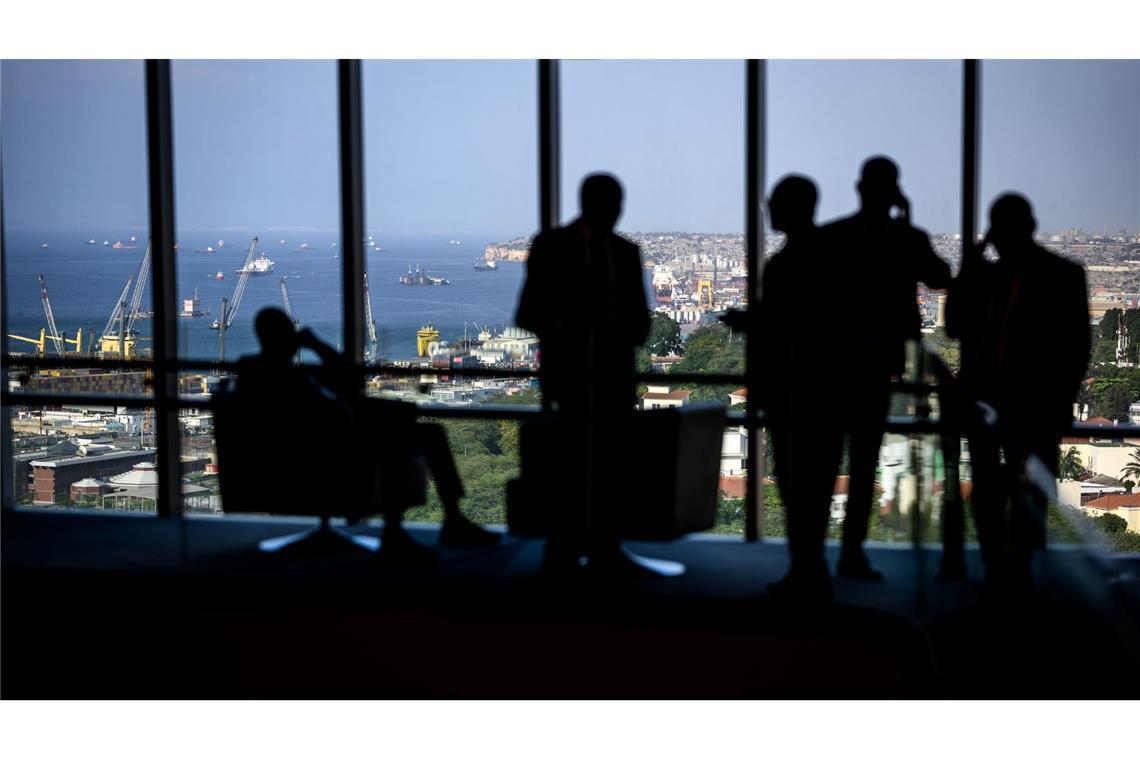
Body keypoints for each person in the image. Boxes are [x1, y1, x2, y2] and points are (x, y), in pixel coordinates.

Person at [237, 308, 500, 560]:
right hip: (318, 460)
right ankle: (418, 528)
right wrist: (316, 345)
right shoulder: (287, 378)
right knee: (421, 438)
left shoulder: (253, 373)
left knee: (426, 433)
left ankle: (436, 524)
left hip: (296, 457)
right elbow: (345, 385)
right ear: (285, 336)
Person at [945, 194, 1089, 588]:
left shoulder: (992, 277)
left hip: (1002, 403)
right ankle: (1018, 570)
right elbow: (1076, 350)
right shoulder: (1064, 275)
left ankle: (1003, 566)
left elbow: (954, 327)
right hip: (1030, 405)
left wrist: (971, 266)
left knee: (996, 488)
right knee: (1020, 491)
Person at [820, 156, 952, 581]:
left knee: (823, 463)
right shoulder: (907, 238)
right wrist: (908, 221)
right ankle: (851, 553)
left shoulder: (835, 236)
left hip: (835, 360)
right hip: (881, 365)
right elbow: (941, 278)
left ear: (859, 190)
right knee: (863, 462)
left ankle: (810, 552)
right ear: (895, 192)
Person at [516, 174, 650, 572]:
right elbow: (528, 313)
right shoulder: (554, 246)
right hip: (576, 376)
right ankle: (571, 548)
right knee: (573, 468)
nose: (615, 213)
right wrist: (572, 331)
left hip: (610, 377)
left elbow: (639, 322)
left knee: (607, 469)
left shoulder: (624, 252)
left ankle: (597, 547)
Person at [753, 175, 846, 600]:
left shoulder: (783, 265)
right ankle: (812, 569)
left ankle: (804, 570)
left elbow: (774, 333)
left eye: (773, 202)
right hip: (827, 392)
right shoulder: (834, 259)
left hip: (790, 393)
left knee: (796, 487)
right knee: (817, 484)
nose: (767, 208)